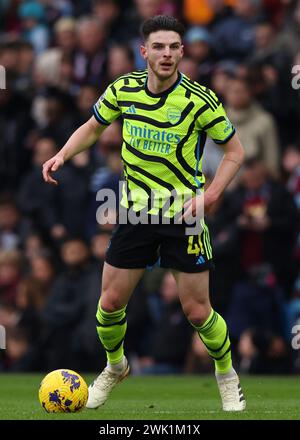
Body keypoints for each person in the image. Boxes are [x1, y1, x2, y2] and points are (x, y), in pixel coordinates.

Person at [42, 15, 246, 412]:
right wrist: (63, 154)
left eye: (173, 47)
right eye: (159, 47)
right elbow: (92, 127)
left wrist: (210, 195)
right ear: (144, 52)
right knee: (109, 304)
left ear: (182, 52)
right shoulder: (123, 89)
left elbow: (235, 152)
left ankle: (226, 373)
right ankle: (115, 367)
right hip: (135, 215)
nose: (166, 54)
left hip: (183, 217)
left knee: (197, 311)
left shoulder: (199, 99)